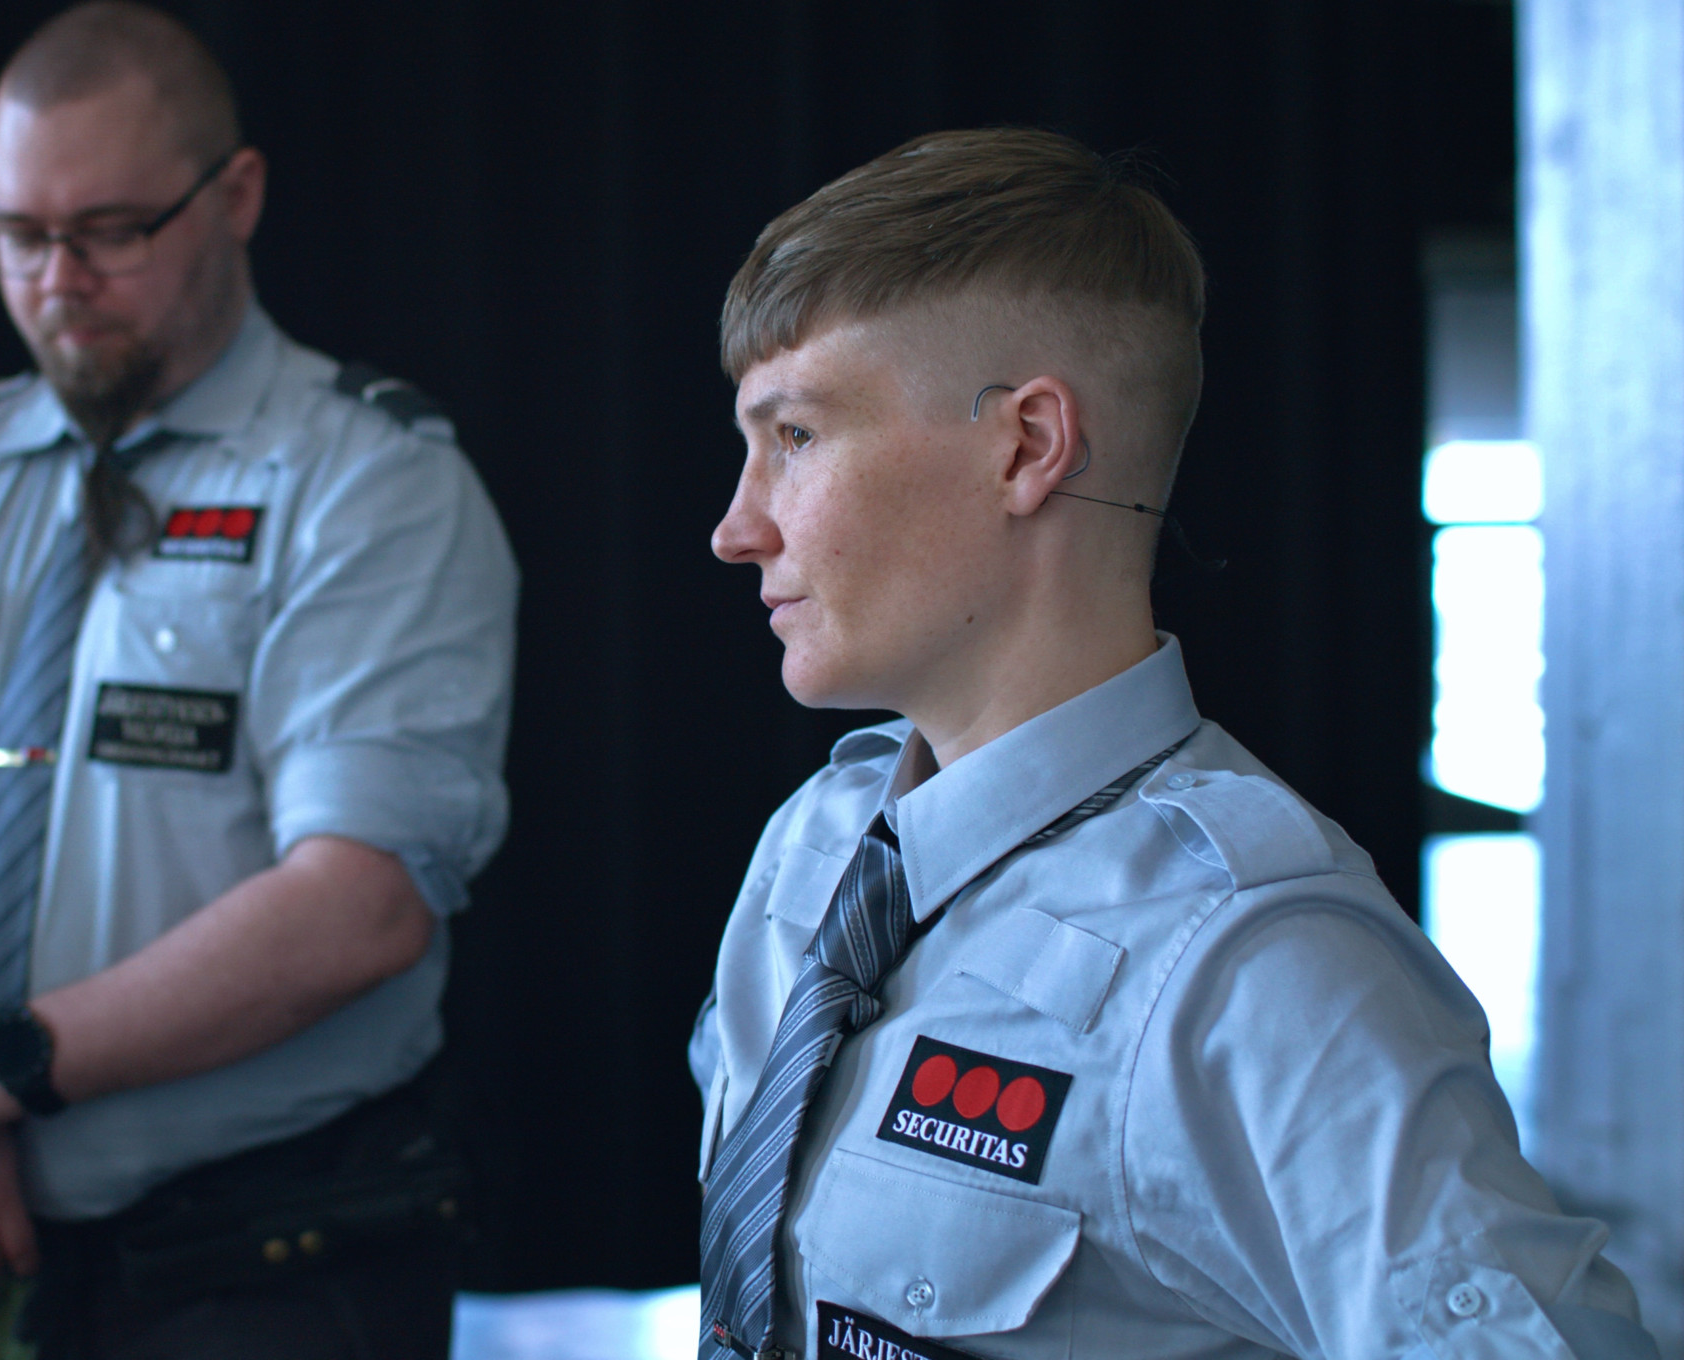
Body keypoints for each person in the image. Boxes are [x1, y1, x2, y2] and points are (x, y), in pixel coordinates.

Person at [690, 130, 1659, 1360]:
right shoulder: (816, 852)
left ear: (1027, 447)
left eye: (797, 438)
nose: (737, 527)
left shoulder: (1251, 964)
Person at [0, 4, 516, 1357]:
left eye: (110, 231)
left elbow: (359, 904)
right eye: (19, 238)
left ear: (238, 195)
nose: (56, 281)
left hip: (259, 1267)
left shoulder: (370, 484)